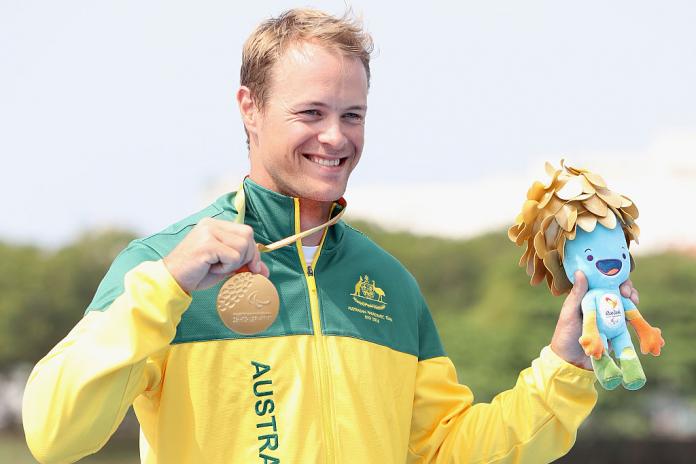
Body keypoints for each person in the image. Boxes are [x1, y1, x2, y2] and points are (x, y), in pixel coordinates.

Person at [22, 8, 639, 464]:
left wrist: (565, 364)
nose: (336, 138)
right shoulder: (160, 268)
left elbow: (449, 451)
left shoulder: (390, 283)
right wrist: (164, 290)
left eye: (352, 115)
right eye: (311, 113)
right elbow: (54, 436)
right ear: (249, 107)